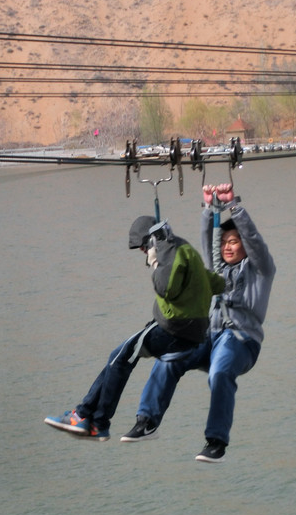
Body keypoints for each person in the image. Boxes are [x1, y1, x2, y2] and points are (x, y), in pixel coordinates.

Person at [122, 183, 275, 462]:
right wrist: (208, 208)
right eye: (225, 242)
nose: (228, 247)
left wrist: (233, 207)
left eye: (234, 242)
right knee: (169, 358)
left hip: (240, 339)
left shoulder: (260, 269)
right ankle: (147, 420)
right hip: (208, 336)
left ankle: (216, 441)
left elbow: (254, 239)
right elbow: (208, 242)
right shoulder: (216, 268)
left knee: (219, 372)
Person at [44, 215, 225, 440]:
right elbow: (214, 282)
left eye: (143, 247)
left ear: (151, 241)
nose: (143, 254)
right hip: (189, 332)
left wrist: (159, 261)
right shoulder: (186, 250)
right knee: (118, 357)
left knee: (120, 358)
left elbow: (165, 288)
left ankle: (97, 423)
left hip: (174, 328)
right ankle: (84, 415)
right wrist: (228, 282)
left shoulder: (171, 253)